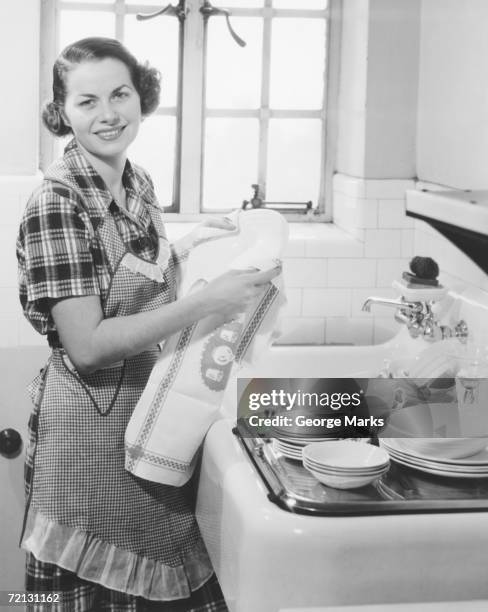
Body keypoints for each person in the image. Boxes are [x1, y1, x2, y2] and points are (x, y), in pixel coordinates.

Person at [17, 37, 280, 611]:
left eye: (120, 94)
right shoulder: (57, 204)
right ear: (62, 112)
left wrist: (193, 246)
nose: (108, 114)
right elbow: (87, 345)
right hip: (88, 432)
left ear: (142, 98)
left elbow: (130, 284)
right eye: (86, 102)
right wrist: (208, 302)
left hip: (146, 414)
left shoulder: (137, 183)